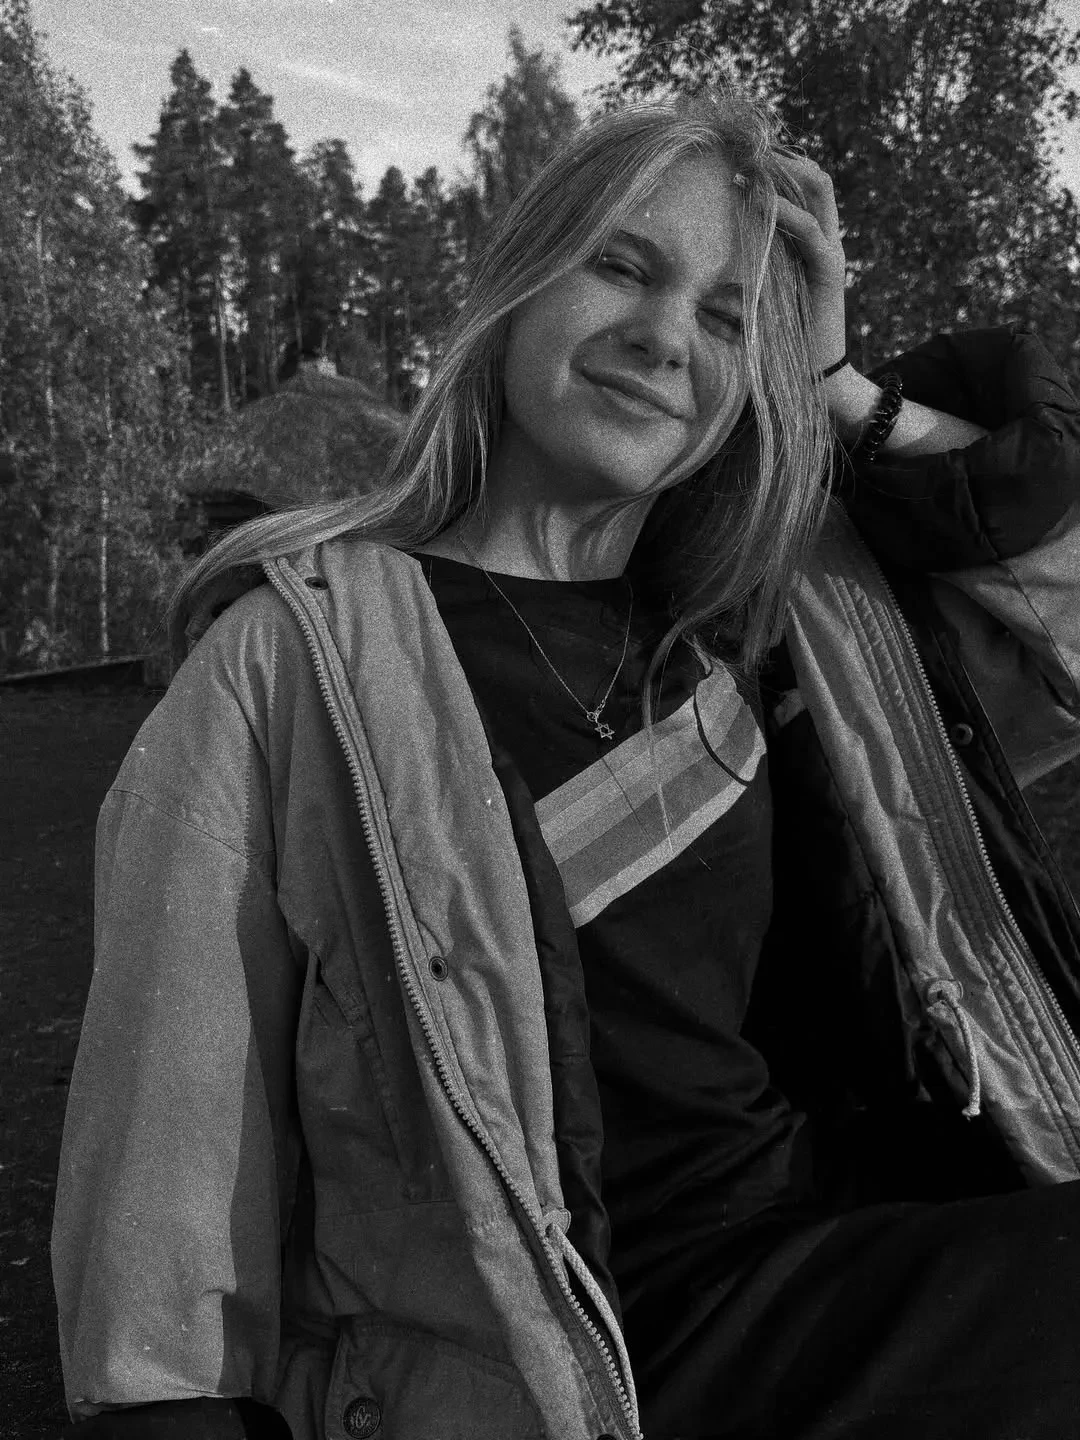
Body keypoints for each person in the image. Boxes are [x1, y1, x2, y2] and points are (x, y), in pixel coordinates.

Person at [51, 83, 1080, 1440]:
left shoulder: (768, 637)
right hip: (563, 1364)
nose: (664, 337)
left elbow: (1061, 630)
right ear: (520, 286)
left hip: (835, 1256)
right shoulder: (295, 662)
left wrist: (837, 386)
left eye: (727, 319)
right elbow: (165, 1163)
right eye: (622, 268)